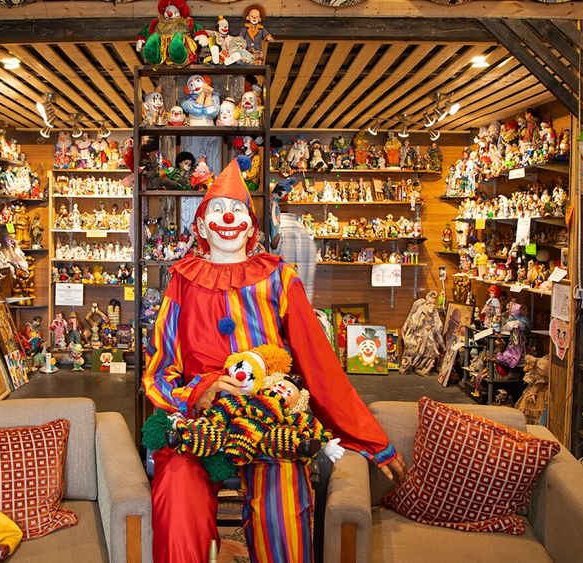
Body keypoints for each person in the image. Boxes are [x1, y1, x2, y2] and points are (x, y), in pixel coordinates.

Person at [143, 160, 405, 563]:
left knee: (282, 502)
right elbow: (160, 368)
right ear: (199, 226)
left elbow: (319, 363)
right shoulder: (182, 280)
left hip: (267, 417)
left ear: (251, 227)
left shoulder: (279, 279)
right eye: (215, 209)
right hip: (200, 423)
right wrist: (198, 392)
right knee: (177, 498)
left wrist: (371, 439)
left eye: (238, 210)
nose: (227, 217)